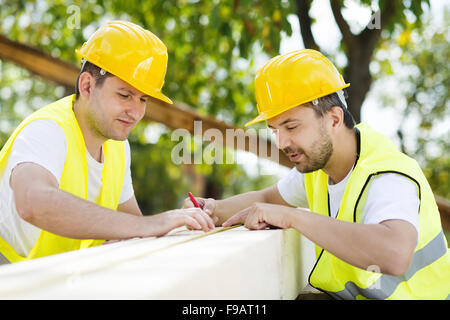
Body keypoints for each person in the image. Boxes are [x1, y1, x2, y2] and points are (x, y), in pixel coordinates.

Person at [184, 49, 449, 299]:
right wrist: (210, 209)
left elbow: (394, 254)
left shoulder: (386, 175)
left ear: (333, 119)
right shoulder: (317, 168)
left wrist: (293, 217)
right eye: (275, 130)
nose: (281, 143)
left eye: (292, 126)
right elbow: (269, 198)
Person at [0, 21, 215, 265]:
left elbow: (134, 226)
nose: (135, 112)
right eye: (125, 95)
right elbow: (32, 203)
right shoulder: (47, 129)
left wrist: (179, 221)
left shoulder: (117, 146)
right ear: (87, 85)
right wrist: (152, 223)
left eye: (143, 99)